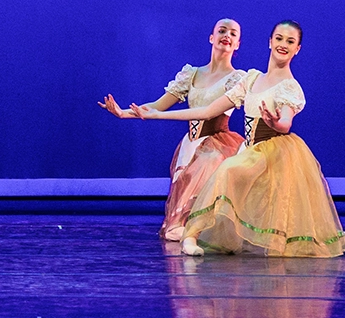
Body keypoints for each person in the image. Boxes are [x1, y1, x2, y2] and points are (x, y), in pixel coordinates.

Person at [132, 20, 345, 257]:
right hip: (251, 152)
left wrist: (274, 121)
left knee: (302, 231)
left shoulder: (290, 87)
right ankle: (192, 237)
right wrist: (157, 115)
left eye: (290, 41)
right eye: (279, 38)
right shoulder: (251, 79)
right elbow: (207, 110)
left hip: (276, 156)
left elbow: (284, 123)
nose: (283, 44)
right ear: (270, 41)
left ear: (297, 49)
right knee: (254, 208)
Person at [99, 18, 246, 241]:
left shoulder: (238, 78)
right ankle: (189, 231)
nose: (227, 35)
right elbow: (157, 106)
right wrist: (123, 113)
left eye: (233, 34)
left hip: (218, 145)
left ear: (237, 44)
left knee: (209, 166)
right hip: (191, 144)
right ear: (211, 37)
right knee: (180, 212)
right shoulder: (192, 73)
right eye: (222, 31)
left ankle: (202, 231)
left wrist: (158, 115)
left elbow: (206, 112)